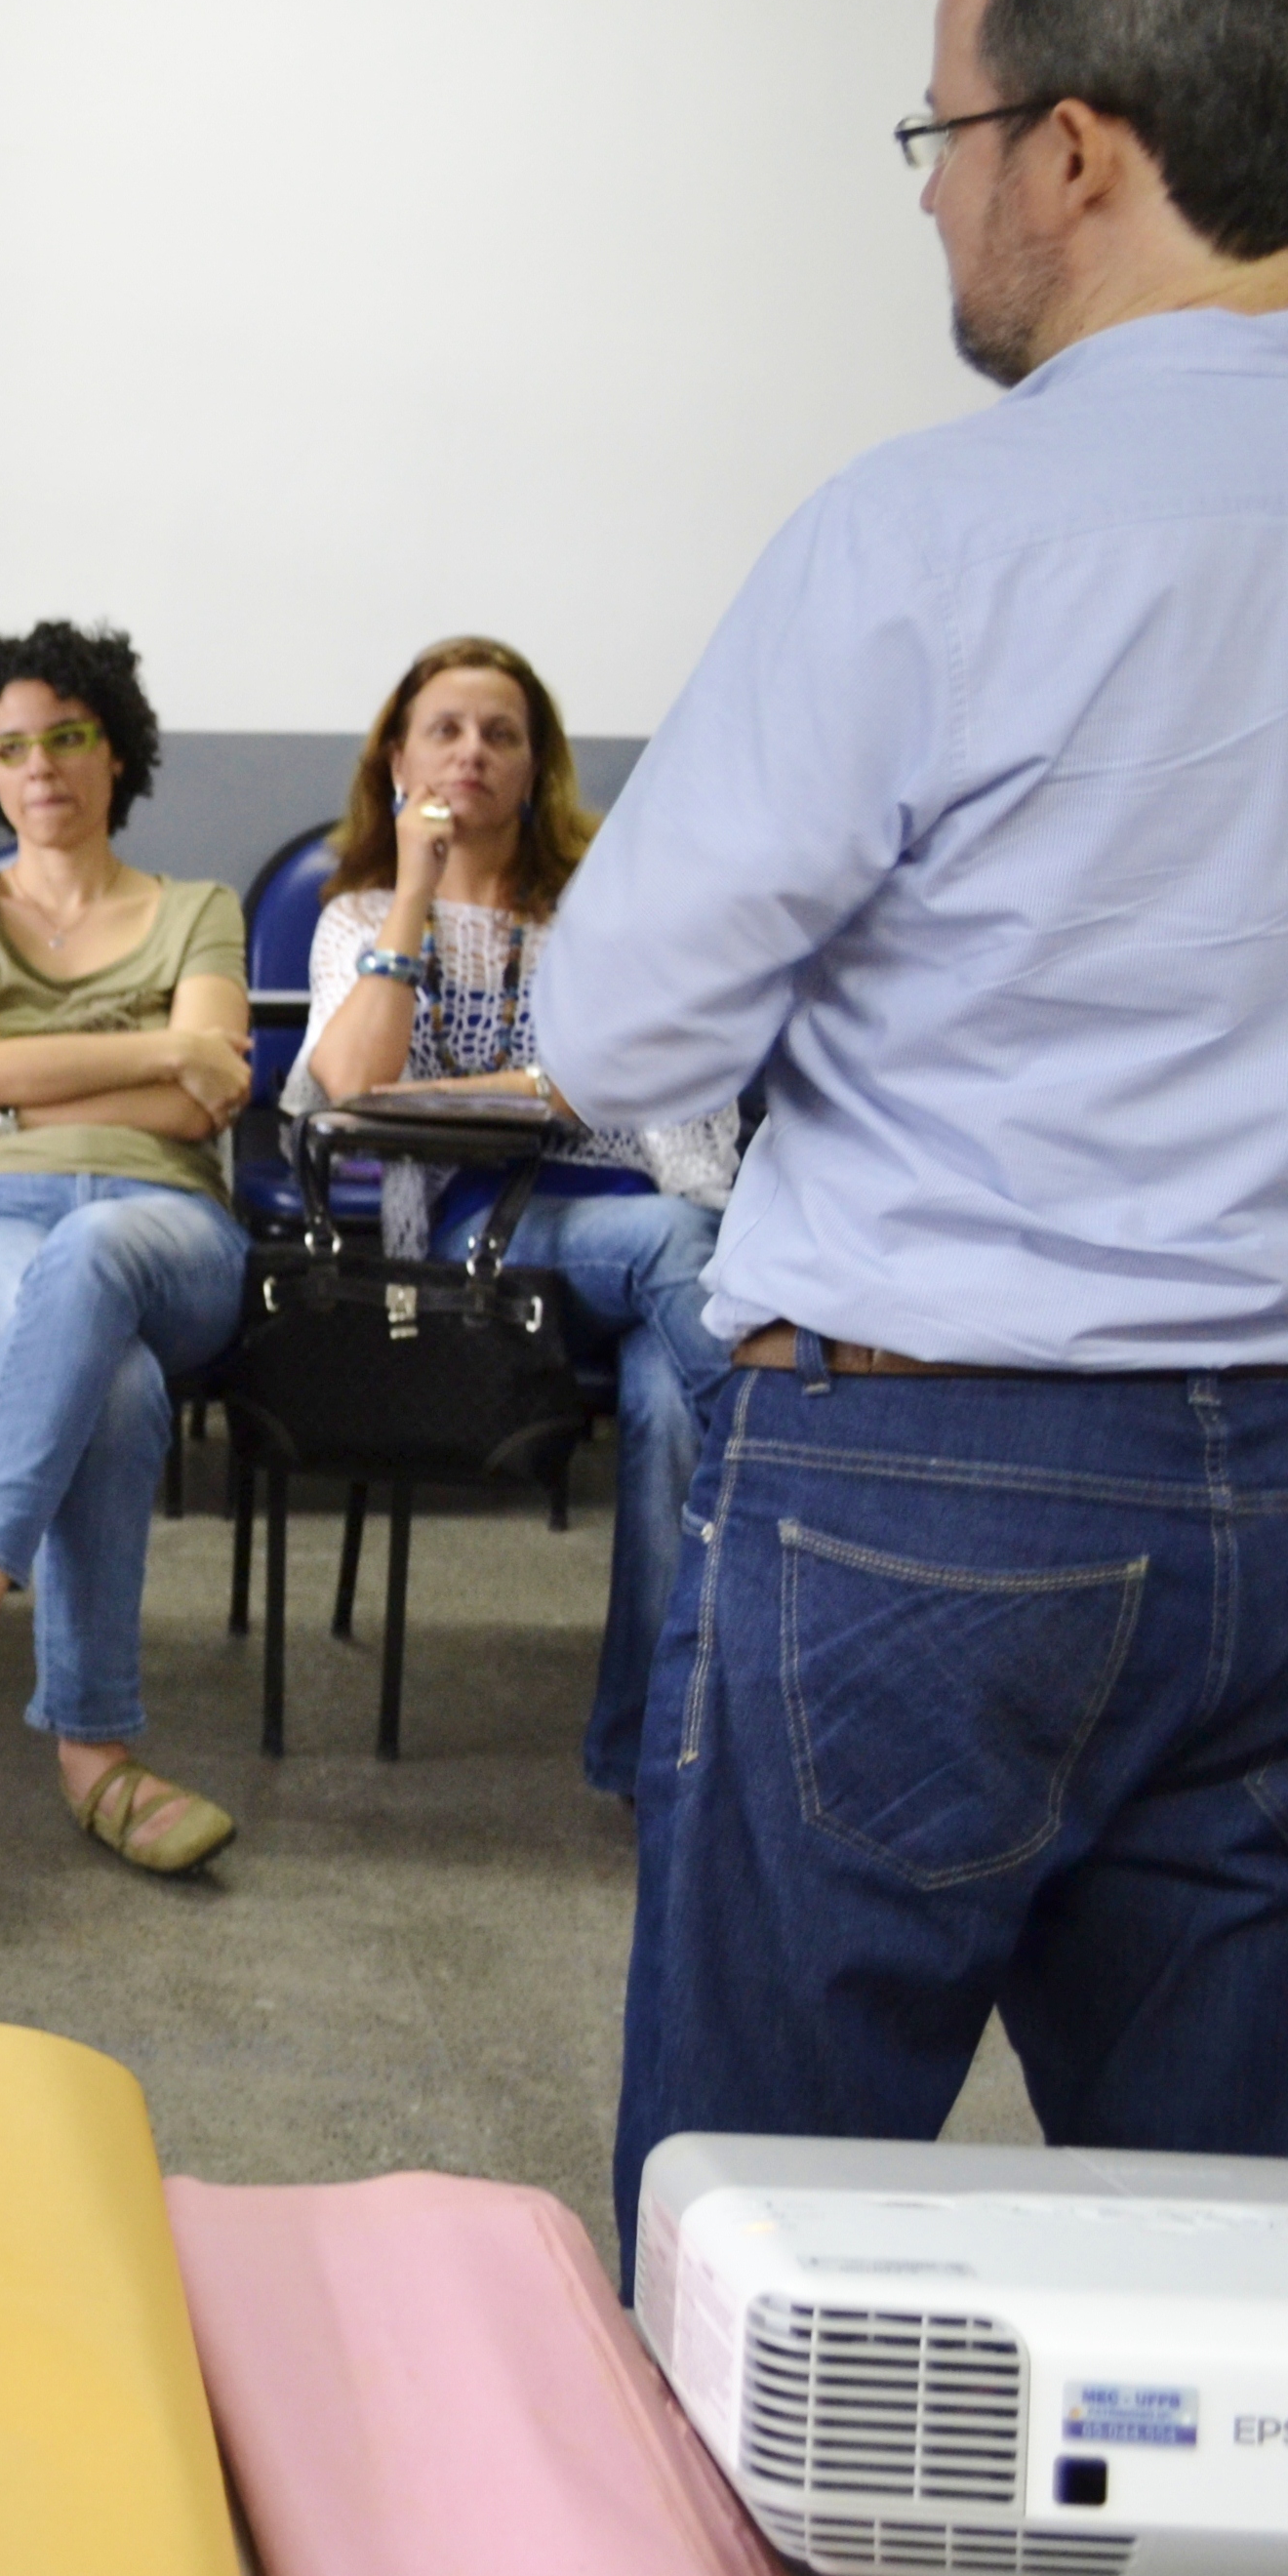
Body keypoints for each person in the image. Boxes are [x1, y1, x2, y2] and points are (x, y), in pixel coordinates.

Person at [534, 0, 1288, 2243]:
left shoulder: (932, 536)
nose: (931, 207)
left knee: (759, 2240)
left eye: (938, 140)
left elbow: (612, 1023)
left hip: (925, 1479)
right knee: (1217, 2281)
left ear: (1080, 148)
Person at [290, 637, 736, 1797]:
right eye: (446, 729)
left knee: (664, 1401)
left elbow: (634, 1080)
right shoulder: (359, 919)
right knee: (681, 1256)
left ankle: (642, 1754)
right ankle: (808, 1476)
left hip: (639, 1235)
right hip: (473, 1245)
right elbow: (354, 1090)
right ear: (400, 756)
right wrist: (417, 888)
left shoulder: (606, 912)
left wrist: (485, 1093)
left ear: (538, 767)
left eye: (501, 734)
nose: (473, 753)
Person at [0, 625, 253, 1876]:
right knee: (118, 1383)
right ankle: (96, 1758)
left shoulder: (201, 910)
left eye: (69, 737)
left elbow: (204, 1110)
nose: (42, 768)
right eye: (13, 745)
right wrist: (154, 1051)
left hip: (166, 1226)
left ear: (116, 750)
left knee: (93, 1244)